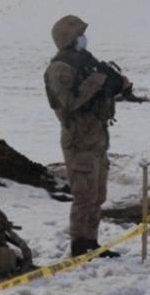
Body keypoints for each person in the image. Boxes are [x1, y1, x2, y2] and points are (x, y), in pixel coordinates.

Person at [44, 15, 130, 258]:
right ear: (68, 38)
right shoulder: (59, 68)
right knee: (84, 196)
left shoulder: (84, 61)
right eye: (78, 34)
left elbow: (96, 93)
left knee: (97, 195)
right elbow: (69, 102)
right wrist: (97, 81)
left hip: (96, 136)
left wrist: (114, 86)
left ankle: (91, 243)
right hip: (79, 139)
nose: (83, 39)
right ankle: (79, 247)